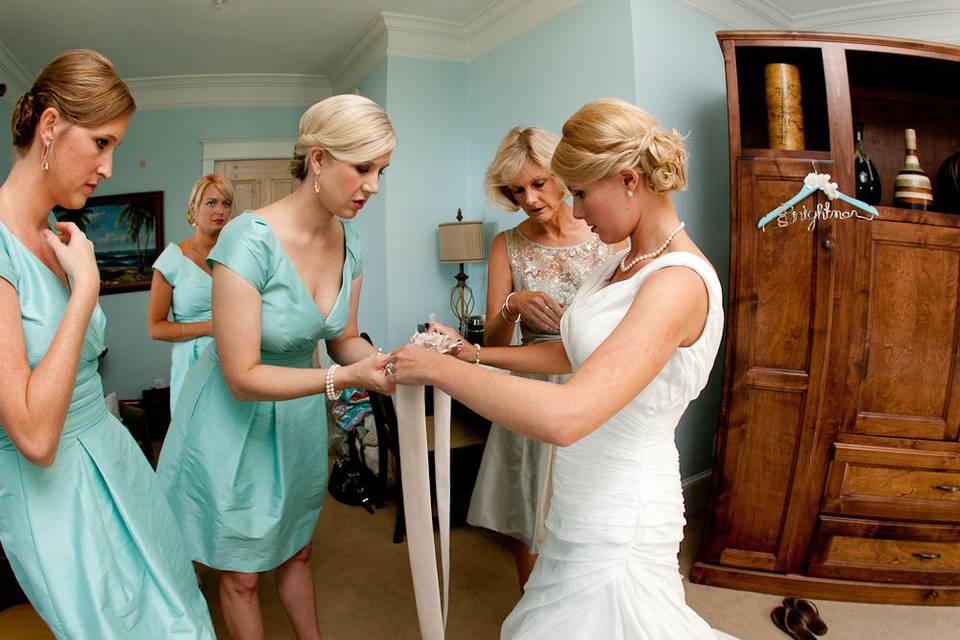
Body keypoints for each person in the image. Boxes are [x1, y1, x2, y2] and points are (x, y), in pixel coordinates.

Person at [390, 98, 735, 639]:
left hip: (622, 506)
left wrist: (437, 373)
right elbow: (575, 354)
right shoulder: (619, 261)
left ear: (628, 181)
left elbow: (569, 416)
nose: (574, 211)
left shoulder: (676, 283)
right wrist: (471, 354)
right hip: (579, 490)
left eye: (578, 192)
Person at [157, 94, 396, 640]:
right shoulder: (249, 238)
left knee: (298, 549)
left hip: (296, 417)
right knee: (242, 573)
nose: (374, 186)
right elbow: (242, 376)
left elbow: (343, 338)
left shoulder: (350, 240)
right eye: (363, 168)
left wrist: (393, 359)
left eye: (382, 170)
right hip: (232, 416)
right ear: (318, 159)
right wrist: (347, 378)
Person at [0, 49, 214, 638]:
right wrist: (87, 289)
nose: (110, 167)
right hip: (57, 494)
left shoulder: (55, 236)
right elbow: (35, 435)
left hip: (112, 459)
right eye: (101, 142)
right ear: (49, 128)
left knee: (179, 610)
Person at [468, 126, 616, 589]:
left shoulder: (603, 234)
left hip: (594, 379)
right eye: (517, 190)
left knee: (593, 506)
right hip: (533, 386)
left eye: (537, 183)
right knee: (531, 508)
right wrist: (512, 305)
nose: (529, 199)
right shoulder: (505, 245)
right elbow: (491, 342)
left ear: (560, 174)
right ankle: (535, 612)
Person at [148, 174, 234, 412]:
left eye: (226, 204)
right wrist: (209, 327)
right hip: (192, 366)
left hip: (235, 359)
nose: (220, 211)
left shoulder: (237, 256)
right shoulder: (172, 260)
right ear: (193, 209)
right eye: (211, 203)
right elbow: (155, 328)